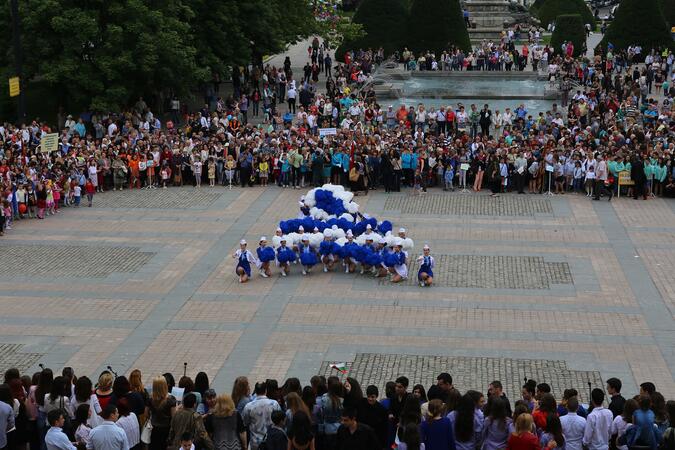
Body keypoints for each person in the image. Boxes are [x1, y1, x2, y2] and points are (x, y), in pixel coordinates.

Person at [241, 382, 281, 450]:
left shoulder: (249, 406)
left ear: (255, 391)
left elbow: (244, 422)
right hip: (271, 440)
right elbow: (280, 419)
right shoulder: (274, 404)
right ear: (266, 390)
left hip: (255, 443)